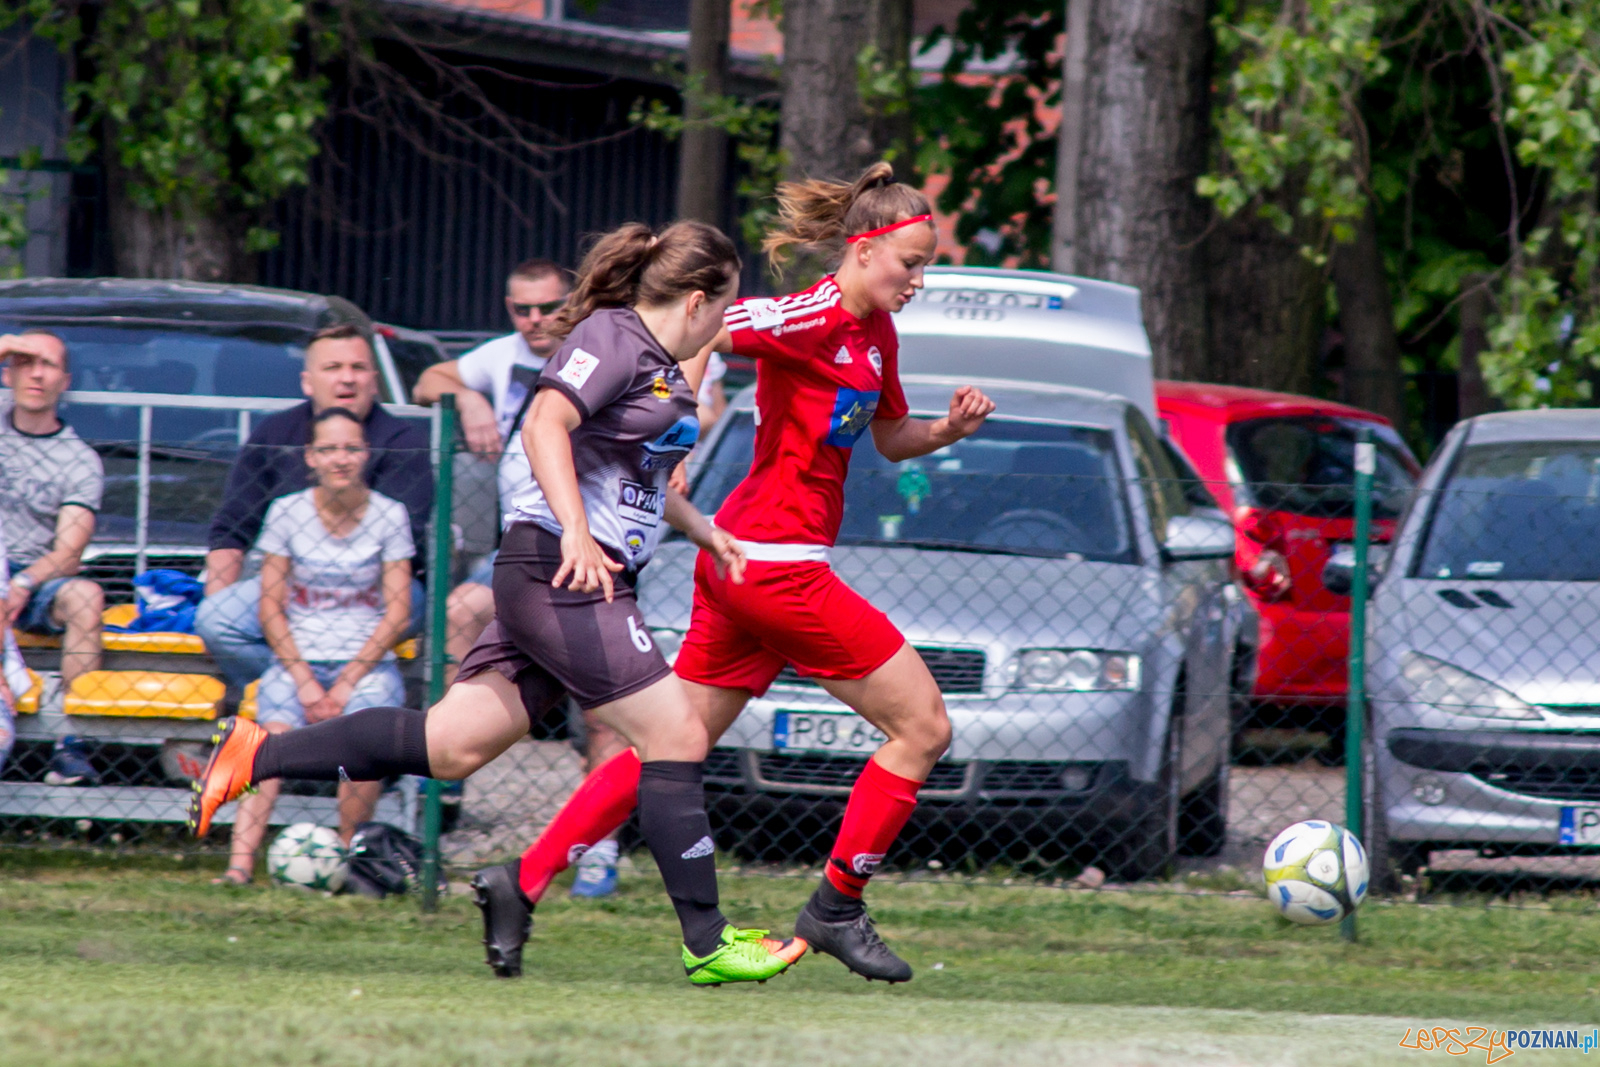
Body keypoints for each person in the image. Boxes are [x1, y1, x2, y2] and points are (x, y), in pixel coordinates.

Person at [188, 220, 806, 986]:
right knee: (677, 732)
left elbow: (632, 478)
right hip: (564, 571)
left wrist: (705, 530)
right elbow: (548, 421)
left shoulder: (662, 364)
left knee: (451, 745)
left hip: (578, 573)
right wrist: (577, 534)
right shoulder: (614, 336)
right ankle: (709, 942)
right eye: (727, 302)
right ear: (698, 296)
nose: (727, 319)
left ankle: (257, 751)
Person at [472, 162, 993, 984]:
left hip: (746, 561)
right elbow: (706, 327)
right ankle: (834, 909)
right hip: (777, 566)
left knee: (669, 746)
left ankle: (521, 879)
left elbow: (891, 438)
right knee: (924, 727)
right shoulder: (815, 310)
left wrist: (950, 430)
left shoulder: (875, 333)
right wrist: (671, 431)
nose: (919, 279)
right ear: (862, 250)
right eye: (910, 262)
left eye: (928, 265)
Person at [413, 259, 627, 897]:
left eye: (548, 307)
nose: (535, 321)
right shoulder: (502, 358)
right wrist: (468, 394)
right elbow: (428, 378)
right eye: (521, 309)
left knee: (609, 708)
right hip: (522, 552)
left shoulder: (602, 351)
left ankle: (598, 849)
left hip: (598, 553)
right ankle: (448, 783)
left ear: (575, 302)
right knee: (457, 612)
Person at [214, 409, 413, 885]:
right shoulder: (287, 512)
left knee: (366, 747)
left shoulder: (391, 515)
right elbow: (270, 609)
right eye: (328, 449)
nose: (340, 459)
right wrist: (304, 680)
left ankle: (346, 862)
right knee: (265, 743)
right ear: (310, 458)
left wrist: (345, 684)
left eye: (350, 448)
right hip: (297, 661)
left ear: (366, 454)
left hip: (364, 665)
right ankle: (239, 867)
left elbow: (399, 612)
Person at [196, 324, 432, 692]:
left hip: (379, 590)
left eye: (357, 368)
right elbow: (232, 527)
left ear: (374, 379)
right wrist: (218, 596)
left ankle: (334, 699)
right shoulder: (273, 435)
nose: (347, 379)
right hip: (292, 586)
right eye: (333, 368)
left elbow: (406, 545)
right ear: (307, 382)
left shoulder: (405, 444)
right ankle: (304, 695)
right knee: (216, 620)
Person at [0, 330, 107, 787]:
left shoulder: (79, 460)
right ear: (8, 373)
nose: (37, 374)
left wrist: (22, 585)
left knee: (86, 595)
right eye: (25, 362)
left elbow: (69, 552)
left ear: (65, 380)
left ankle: (71, 744)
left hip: (36, 582)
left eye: (48, 365)